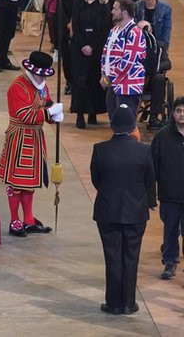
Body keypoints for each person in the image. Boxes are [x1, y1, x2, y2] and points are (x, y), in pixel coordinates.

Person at [90, 103, 154, 316]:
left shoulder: (100, 149)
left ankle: (113, 303)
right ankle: (128, 303)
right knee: (131, 256)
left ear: (112, 125)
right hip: (135, 211)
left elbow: (96, 180)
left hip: (107, 210)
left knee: (112, 256)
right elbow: (149, 182)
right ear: (133, 126)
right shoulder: (144, 151)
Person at [0, 51, 61, 237]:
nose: (43, 77)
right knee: (15, 182)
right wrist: (49, 114)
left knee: (29, 183)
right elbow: (25, 115)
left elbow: (46, 105)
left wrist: (54, 115)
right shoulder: (18, 87)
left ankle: (28, 219)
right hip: (19, 138)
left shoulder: (42, 86)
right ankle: (14, 220)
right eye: (41, 74)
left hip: (34, 139)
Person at [69, 0, 110, 128]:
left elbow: (104, 29)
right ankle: (80, 113)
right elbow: (76, 25)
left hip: (96, 48)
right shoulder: (78, 3)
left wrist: (92, 46)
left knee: (94, 80)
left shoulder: (104, 6)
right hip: (79, 47)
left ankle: (93, 112)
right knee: (80, 81)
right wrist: (83, 45)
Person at [152, 97, 184, 280]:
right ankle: (170, 262)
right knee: (170, 230)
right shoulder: (162, 136)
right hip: (169, 194)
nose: (182, 114)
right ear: (173, 113)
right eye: (178, 110)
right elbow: (153, 165)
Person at [101, 0, 146, 120]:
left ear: (124, 13)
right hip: (113, 85)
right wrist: (103, 74)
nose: (112, 11)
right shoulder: (114, 30)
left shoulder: (135, 33)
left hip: (127, 88)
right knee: (114, 122)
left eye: (115, 9)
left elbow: (128, 63)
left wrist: (108, 79)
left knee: (127, 125)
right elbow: (106, 54)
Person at [136, 0, 172, 129]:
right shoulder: (137, 7)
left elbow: (167, 62)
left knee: (158, 79)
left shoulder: (165, 9)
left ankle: (154, 117)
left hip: (157, 51)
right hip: (138, 73)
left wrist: (154, 66)